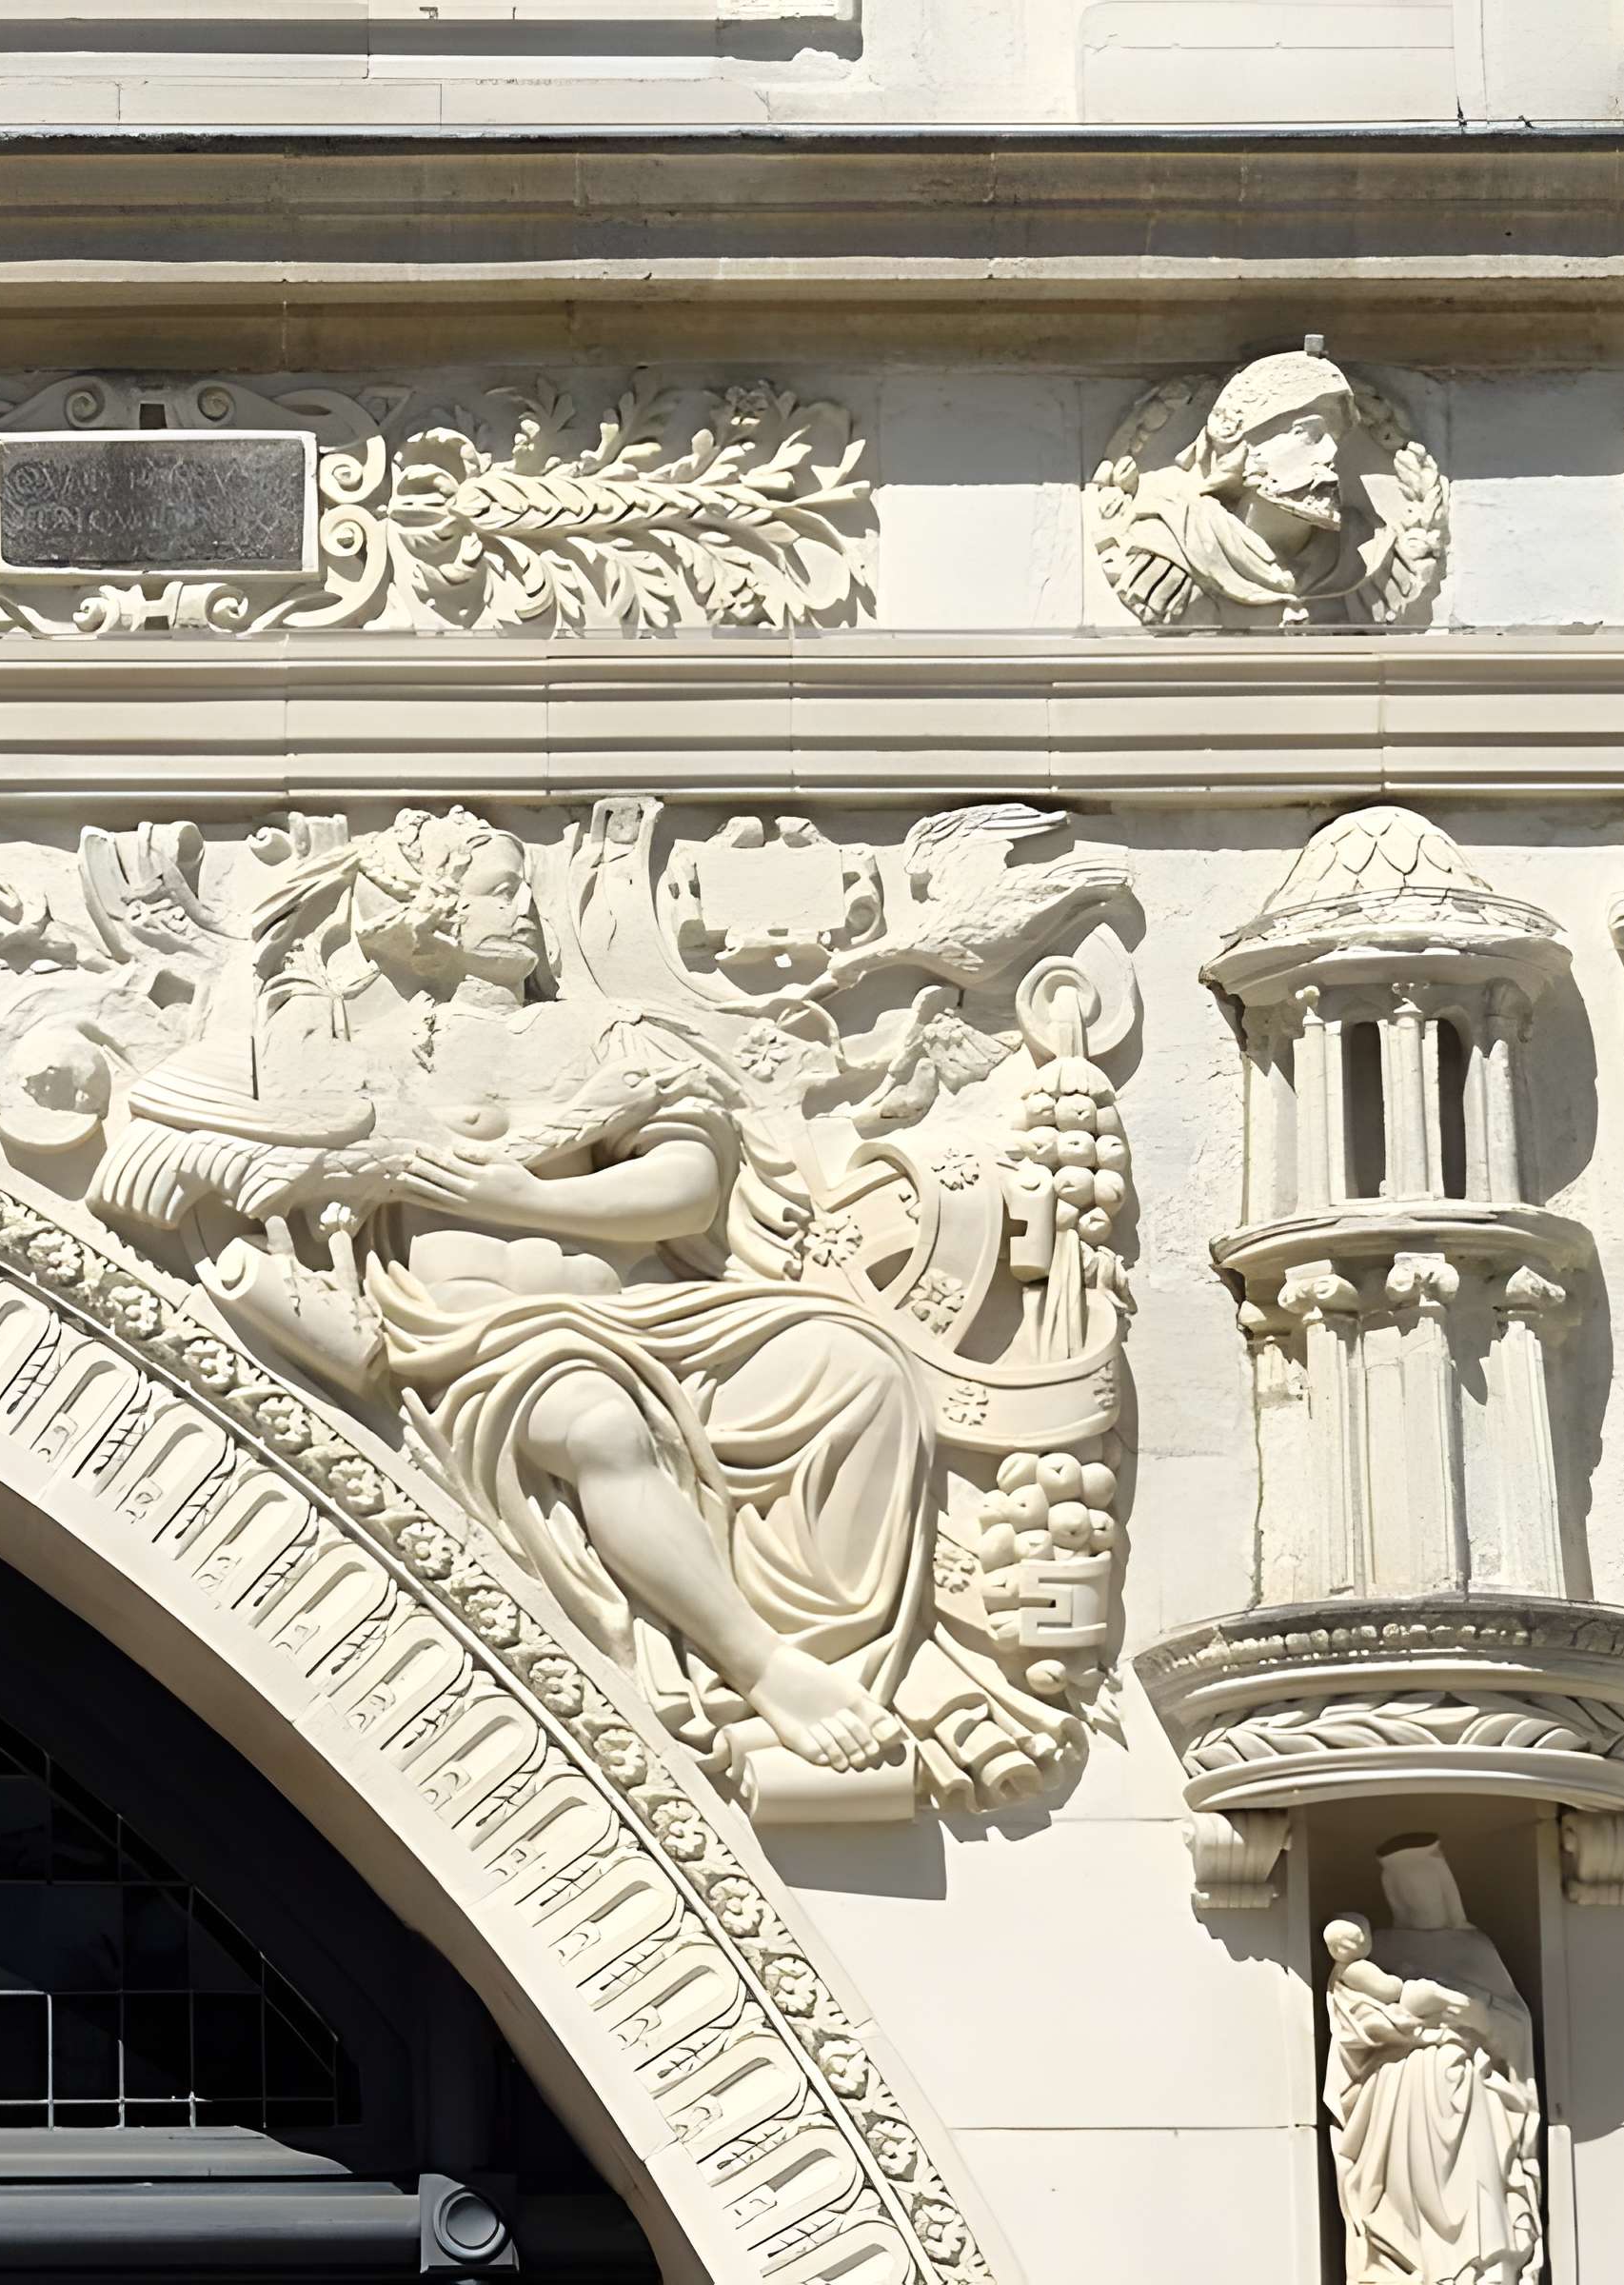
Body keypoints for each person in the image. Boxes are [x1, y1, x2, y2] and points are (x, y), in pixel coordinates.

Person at [92, 808, 935, 1778]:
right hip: (478, 1334)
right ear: (433, 916)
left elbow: (684, 1184)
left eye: (523, 891)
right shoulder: (354, 1047)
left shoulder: (589, 1037)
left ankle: (845, 1647)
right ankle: (762, 1665)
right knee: (597, 1424)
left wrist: (525, 1196)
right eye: (499, 894)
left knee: (859, 1367)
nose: (524, 912)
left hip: (645, 1312)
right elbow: (179, 1135)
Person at [1322, 1838, 1543, 2285]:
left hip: (1468, 2092)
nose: (1408, 1896)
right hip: (1400, 2099)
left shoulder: (1476, 1948)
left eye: (1418, 1885)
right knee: (1402, 2211)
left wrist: (1476, 2010)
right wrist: (1406, 2014)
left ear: (1442, 1887)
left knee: (1481, 2193)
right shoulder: (1376, 1952)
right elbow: (1351, 2019)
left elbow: (1516, 2028)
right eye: (1398, 1887)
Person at [1108, 348, 1392, 627]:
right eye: (1308, 434)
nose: (1331, 455)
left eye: (1335, 438)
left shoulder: (1365, 550)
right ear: (1244, 447)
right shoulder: (1174, 541)